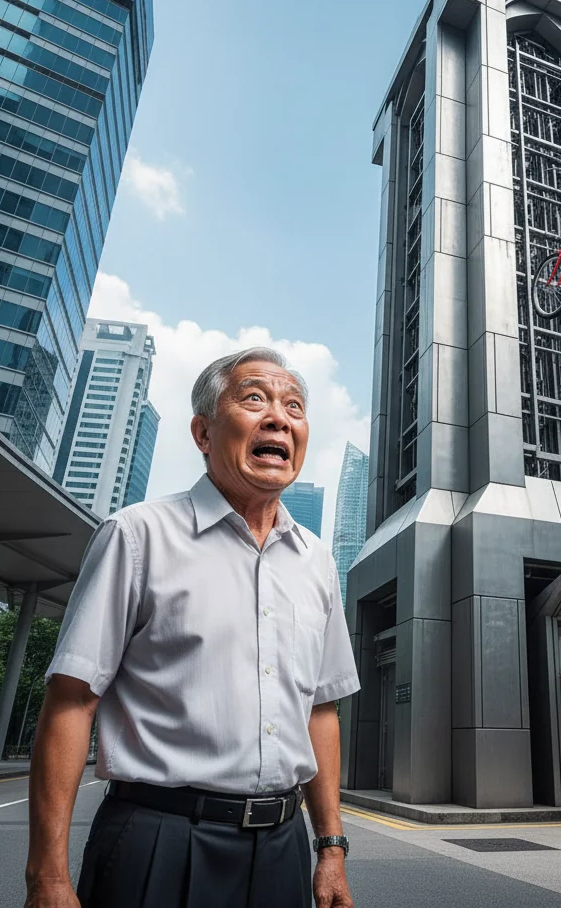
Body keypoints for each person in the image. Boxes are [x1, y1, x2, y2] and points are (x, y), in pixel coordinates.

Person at [25, 348, 361, 908]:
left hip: (283, 848)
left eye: (294, 405)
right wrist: (47, 877)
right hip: (159, 840)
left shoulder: (317, 562)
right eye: (254, 398)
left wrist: (330, 847)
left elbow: (320, 710)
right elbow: (71, 700)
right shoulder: (136, 536)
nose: (279, 416)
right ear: (203, 432)